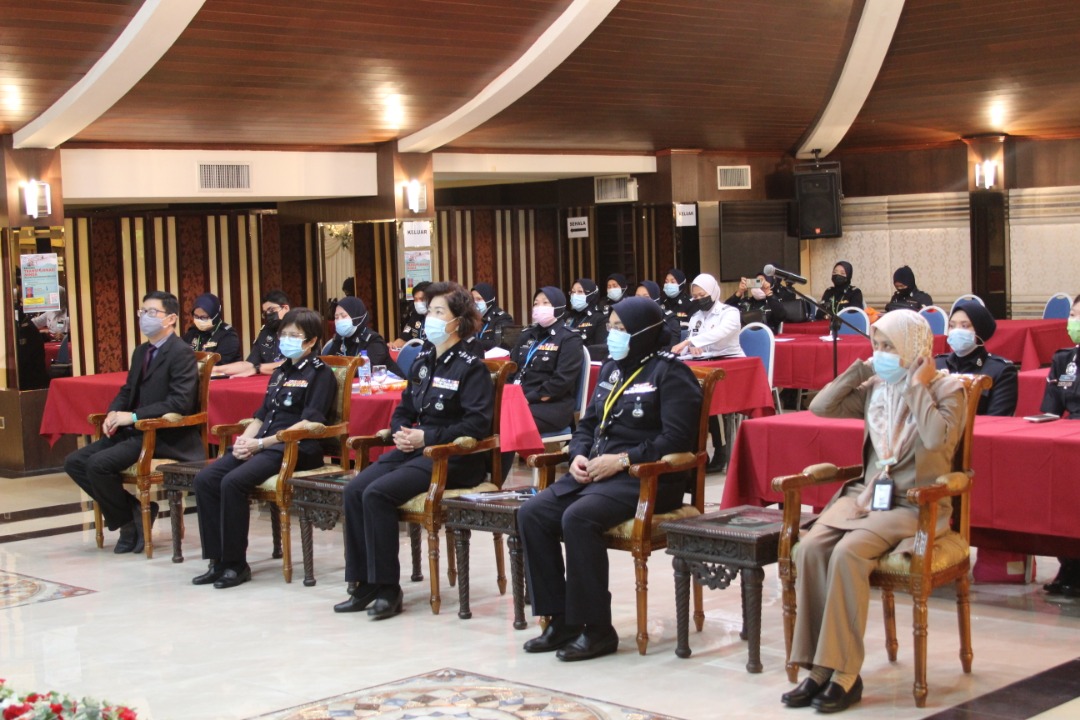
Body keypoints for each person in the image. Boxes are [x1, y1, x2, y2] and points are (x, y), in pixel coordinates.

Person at [782, 310, 965, 712]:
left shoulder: (947, 389)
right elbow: (821, 406)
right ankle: (818, 667)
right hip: (868, 495)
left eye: (889, 346)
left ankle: (845, 673)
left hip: (915, 503)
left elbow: (936, 440)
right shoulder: (876, 386)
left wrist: (916, 386)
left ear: (915, 348)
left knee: (848, 553)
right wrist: (862, 367)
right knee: (810, 549)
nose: (881, 353)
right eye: (876, 345)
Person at [518, 297, 702, 661]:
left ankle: (597, 628)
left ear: (644, 332)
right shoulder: (611, 370)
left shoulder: (670, 373)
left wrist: (622, 460)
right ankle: (560, 620)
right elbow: (587, 425)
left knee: (578, 517)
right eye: (612, 327)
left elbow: (677, 438)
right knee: (532, 513)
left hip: (646, 478)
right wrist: (578, 454)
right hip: (598, 474)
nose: (613, 335)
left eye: (621, 328)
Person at [335, 281, 493, 618]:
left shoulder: (471, 365)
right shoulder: (423, 360)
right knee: (354, 490)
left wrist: (427, 437)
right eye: (429, 311)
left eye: (439, 312)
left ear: (458, 320)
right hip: (415, 450)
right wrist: (400, 433)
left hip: (453, 457)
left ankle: (387, 589)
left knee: (377, 494)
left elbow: (476, 425)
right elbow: (404, 409)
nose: (430, 318)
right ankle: (363, 583)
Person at [192, 307, 336, 589]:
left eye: (294, 335)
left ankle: (235, 564)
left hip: (295, 448)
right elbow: (261, 416)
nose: (286, 340)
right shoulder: (280, 371)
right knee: (206, 479)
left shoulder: (321, 373)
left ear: (310, 341)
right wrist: (244, 441)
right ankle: (217, 561)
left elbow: (311, 422)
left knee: (233, 482)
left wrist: (262, 443)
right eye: (284, 334)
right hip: (263, 444)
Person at [64, 291, 201, 554]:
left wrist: (135, 416)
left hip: (162, 435)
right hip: (132, 432)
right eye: (142, 312)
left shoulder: (181, 353)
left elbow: (180, 403)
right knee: (75, 462)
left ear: (171, 318)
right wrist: (113, 413)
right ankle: (133, 513)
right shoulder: (141, 352)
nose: (145, 317)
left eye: (152, 312)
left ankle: (128, 525)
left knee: (98, 465)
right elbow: (128, 390)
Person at [503, 287, 585, 475]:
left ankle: (498, 477)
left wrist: (528, 398)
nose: (539, 307)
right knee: (491, 415)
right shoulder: (527, 335)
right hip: (517, 401)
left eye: (546, 303)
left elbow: (561, 382)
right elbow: (512, 370)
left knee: (506, 421)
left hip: (550, 405)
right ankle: (487, 474)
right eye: (536, 303)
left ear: (559, 306)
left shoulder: (569, 338)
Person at [1039, 293, 1080, 598]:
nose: (1074, 322)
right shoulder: (1064, 359)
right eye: (1074, 315)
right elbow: (1050, 410)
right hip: (1067, 438)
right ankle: (1069, 564)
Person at [934, 299, 1017, 416]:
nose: (956, 331)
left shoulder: (1001, 371)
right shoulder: (937, 364)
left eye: (964, 326)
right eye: (952, 326)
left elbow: (998, 419)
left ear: (979, 331)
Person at [324, 295, 404, 378]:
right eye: (336, 317)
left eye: (343, 316)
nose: (339, 321)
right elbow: (327, 364)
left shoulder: (374, 341)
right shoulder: (340, 339)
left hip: (392, 384)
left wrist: (335, 370)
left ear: (357, 317)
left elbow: (363, 371)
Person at [216, 290, 290, 376]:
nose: (268, 314)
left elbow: (293, 363)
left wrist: (258, 368)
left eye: (271, 310)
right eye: (265, 312)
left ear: (285, 308)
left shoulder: (298, 331)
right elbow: (249, 364)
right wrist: (216, 369)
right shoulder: (266, 332)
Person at [671, 273, 743, 358]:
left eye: (702, 295)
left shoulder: (730, 312)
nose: (699, 299)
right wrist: (690, 347)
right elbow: (690, 339)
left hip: (730, 358)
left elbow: (719, 333)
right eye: (695, 296)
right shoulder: (695, 317)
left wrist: (690, 342)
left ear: (713, 292)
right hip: (705, 359)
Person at [181, 292, 241, 364]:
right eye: (196, 316)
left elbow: (219, 362)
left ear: (215, 316)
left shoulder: (228, 335)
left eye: (204, 317)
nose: (199, 320)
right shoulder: (192, 332)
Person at [564, 278, 608, 349]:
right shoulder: (568, 316)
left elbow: (600, 348)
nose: (575, 295)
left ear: (591, 294)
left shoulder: (600, 318)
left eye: (580, 291)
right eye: (573, 292)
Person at [471, 282, 515, 352]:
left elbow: (500, 344)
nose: (475, 303)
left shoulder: (502, 318)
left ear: (489, 299)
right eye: (473, 300)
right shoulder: (472, 318)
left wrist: (475, 344)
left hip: (494, 358)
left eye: (478, 299)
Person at [391, 281, 431, 349]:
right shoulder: (415, 316)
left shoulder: (440, 318)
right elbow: (404, 337)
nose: (418, 302)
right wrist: (394, 345)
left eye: (422, 299)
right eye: (415, 299)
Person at [661, 268, 694, 335]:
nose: (668, 285)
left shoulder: (690, 303)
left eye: (673, 282)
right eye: (666, 282)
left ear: (681, 284)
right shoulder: (662, 302)